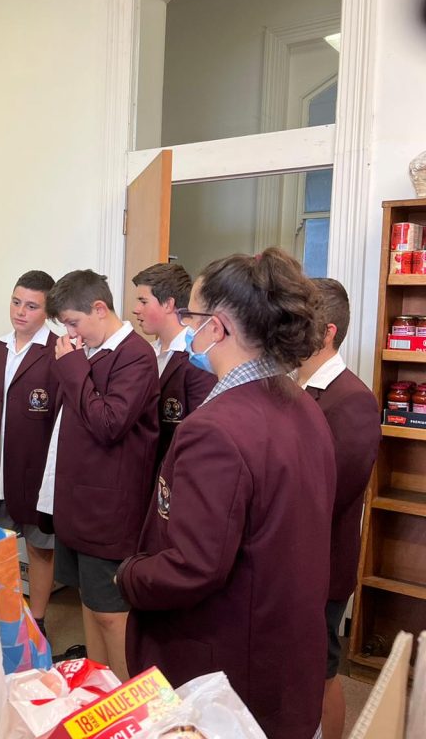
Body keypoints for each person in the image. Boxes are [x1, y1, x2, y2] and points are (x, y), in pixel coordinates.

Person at [117, 248, 336, 739]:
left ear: (216, 327)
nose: (186, 328)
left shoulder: (216, 429)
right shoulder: (302, 404)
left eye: (191, 316)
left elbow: (194, 565)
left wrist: (129, 576)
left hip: (228, 665)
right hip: (283, 650)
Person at [39, 270, 159, 680]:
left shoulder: (134, 355)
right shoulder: (88, 351)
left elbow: (109, 423)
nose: (70, 333)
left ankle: (128, 697)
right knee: (88, 605)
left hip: (109, 508)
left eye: (73, 323)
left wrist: (72, 366)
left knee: (111, 613)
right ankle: (99, 688)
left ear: (99, 308)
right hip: (79, 502)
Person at [294, 278, 381, 739]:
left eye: (298, 320)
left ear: (327, 332)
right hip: (288, 561)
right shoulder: (293, 386)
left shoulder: (353, 399)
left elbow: (334, 494)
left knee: (321, 673)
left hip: (321, 565)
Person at [0, 270, 59, 635]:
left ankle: (37, 621)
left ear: (48, 310)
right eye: (16, 302)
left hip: (35, 472)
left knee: (40, 548)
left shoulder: (58, 351)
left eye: (32, 306)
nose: (21, 312)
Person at [131, 263, 216, 469]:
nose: (135, 309)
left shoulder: (197, 356)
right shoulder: (147, 352)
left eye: (143, 301)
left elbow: (200, 431)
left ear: (168, 304)